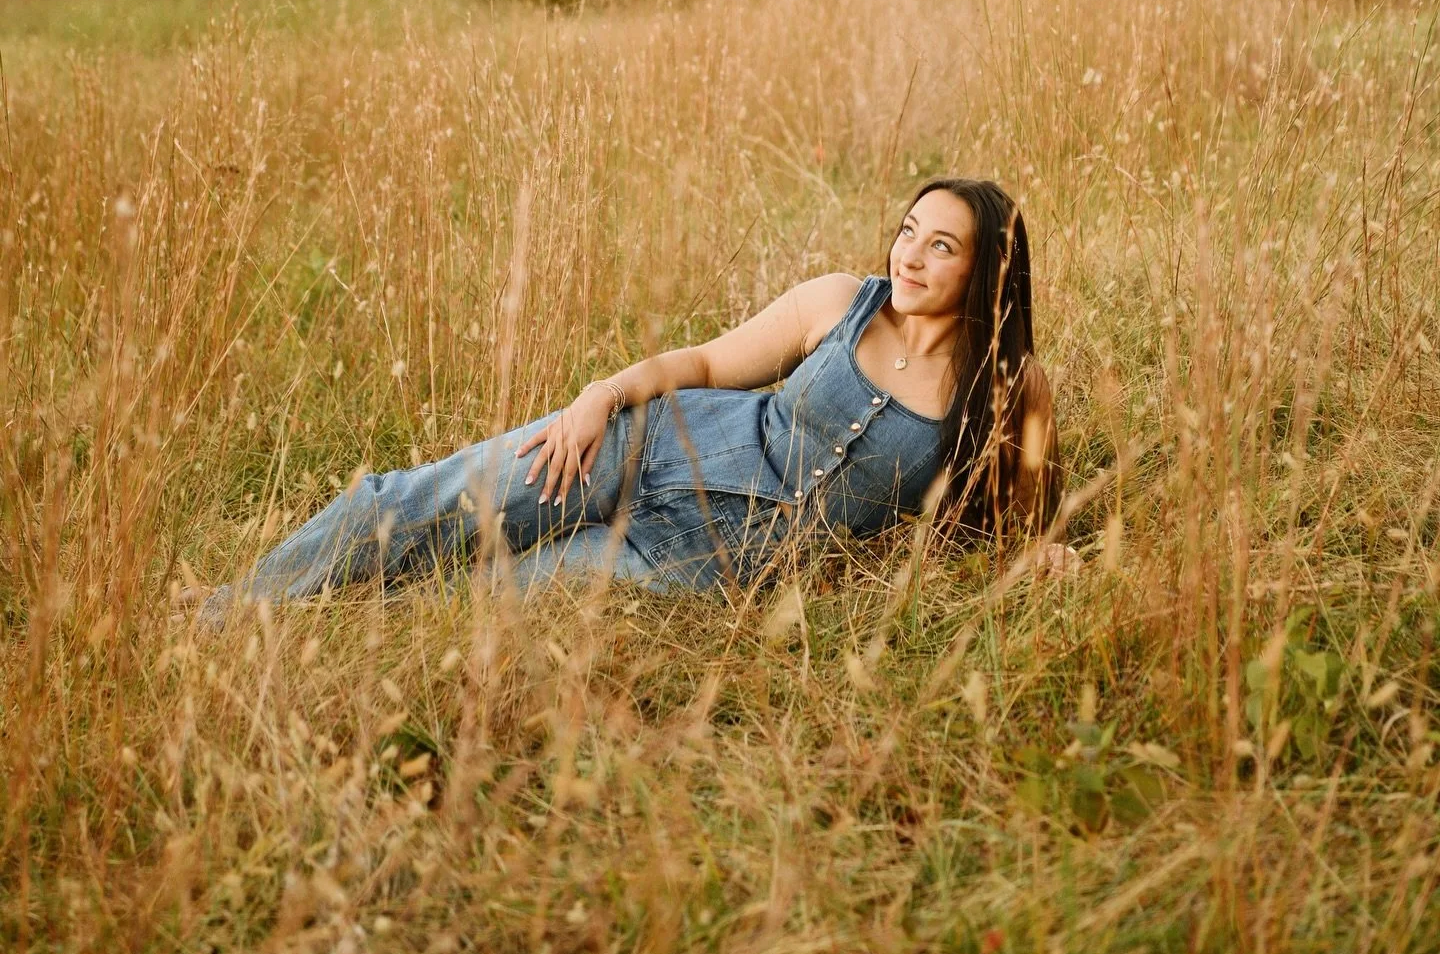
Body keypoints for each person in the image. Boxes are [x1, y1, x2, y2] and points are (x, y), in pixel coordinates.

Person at [196, 178, 1062, 627]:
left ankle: (308, 628)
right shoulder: (842, 299)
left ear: (985, 267)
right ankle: (229, 610)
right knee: (424, 509)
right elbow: (706, 362)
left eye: (940, 245)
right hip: (645, 444)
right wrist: (599, 395)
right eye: (907, 230)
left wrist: (1045, 559)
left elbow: (1022, 528)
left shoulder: (1009, 388)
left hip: (695, 562)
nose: (908, 256)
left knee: (475, 600)